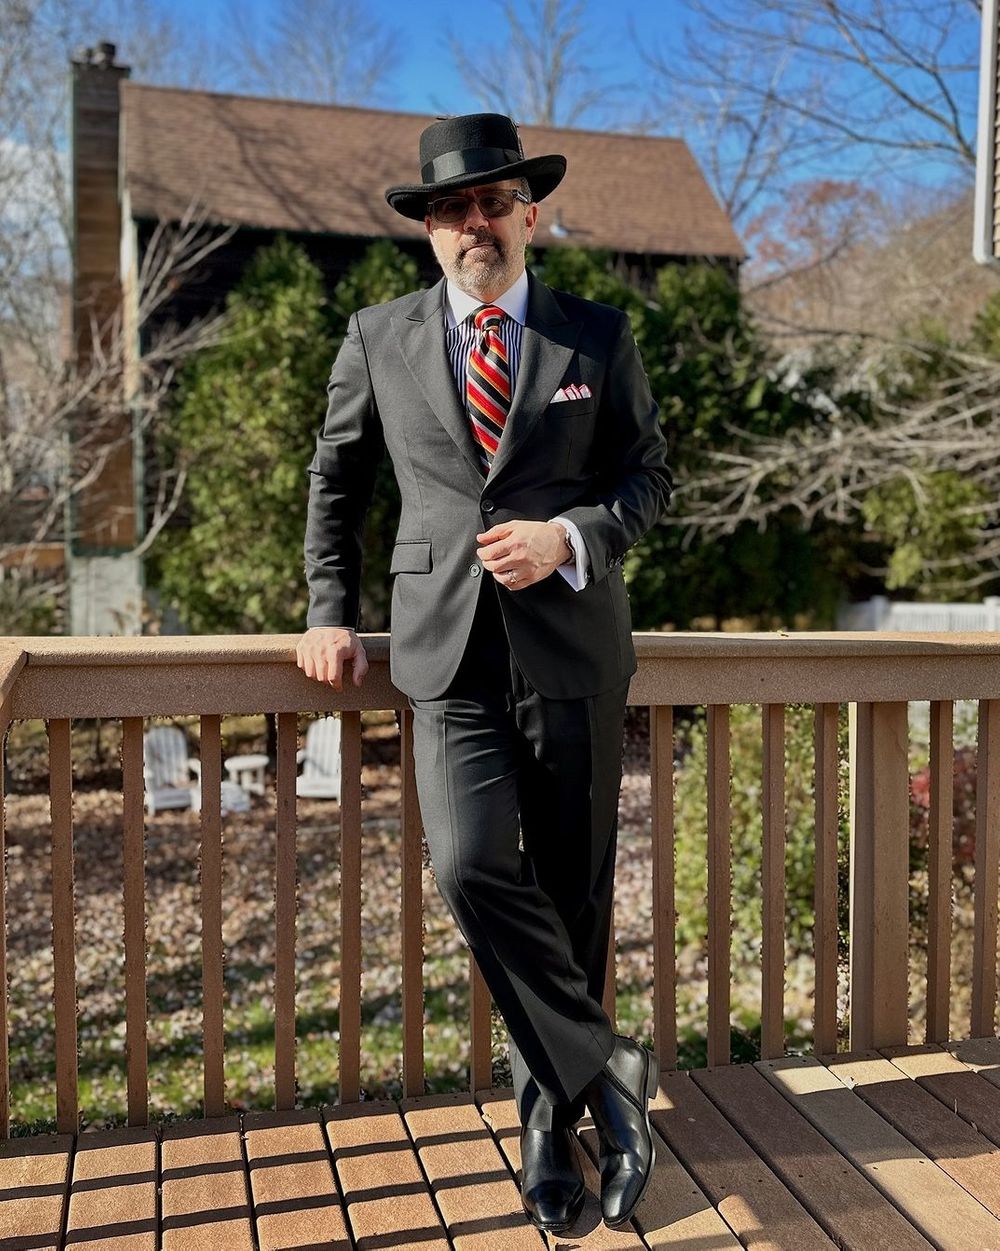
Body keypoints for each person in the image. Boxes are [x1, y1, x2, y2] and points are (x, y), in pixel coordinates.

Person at [296, 112, 672, 1233]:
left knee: (575, 896)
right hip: (442, 655)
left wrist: (572, 540)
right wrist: (328, 613)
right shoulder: (379, 337)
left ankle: (550, 1129)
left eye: (494, 203)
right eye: (454, 208)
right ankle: (610, 1068)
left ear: (528, 213)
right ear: (427, 228)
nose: (476, 223)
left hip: (574, 651)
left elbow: (648, 478)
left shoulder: (594, 337)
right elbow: (335, 486)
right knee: (465, 865)